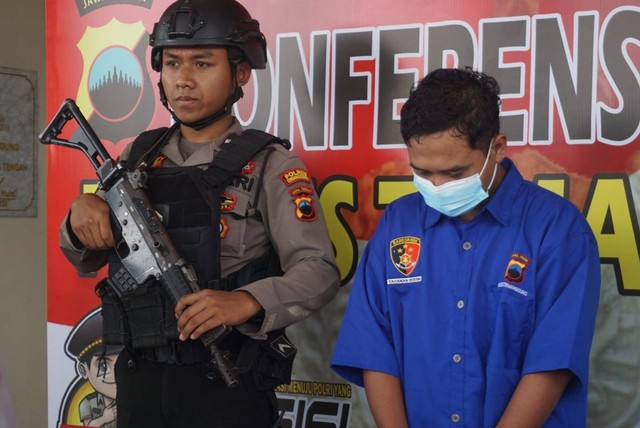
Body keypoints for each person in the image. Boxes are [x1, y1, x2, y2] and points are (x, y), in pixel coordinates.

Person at [58, 0, 340, 426]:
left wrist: (247, 300)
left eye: (202, 64)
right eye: (172, 64)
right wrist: (82, 216)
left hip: (225, 379)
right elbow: (85, 255)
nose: (183, 80)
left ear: (240, 74)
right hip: (139, 379)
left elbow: (318, 270)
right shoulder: (137, 157)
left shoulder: (270, 164)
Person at [330, 67, 601, 427]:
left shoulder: (557, 230)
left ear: (497, 148)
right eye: (423, 173)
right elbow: (375, 349)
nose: (438, 186)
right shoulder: (398, 223)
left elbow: (552, 362)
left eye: (455, 173)